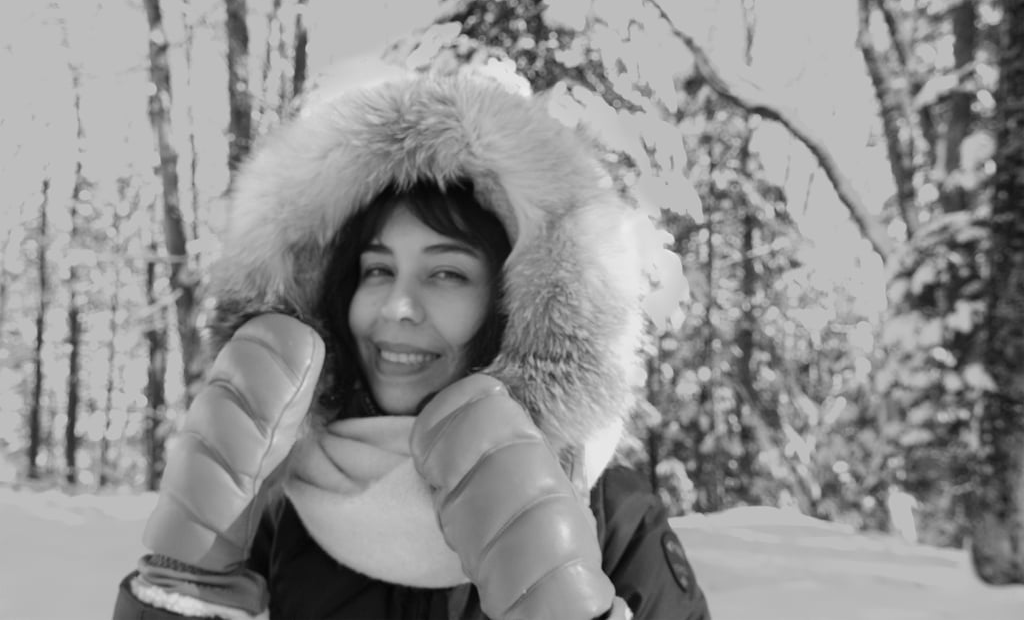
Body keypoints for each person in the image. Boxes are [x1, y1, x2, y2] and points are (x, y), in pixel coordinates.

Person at [112, 72, 711, 619]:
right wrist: (189, 588)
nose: (397, 306)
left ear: (523, 305)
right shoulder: (272, 502)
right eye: (376, 271)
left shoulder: (613, 517)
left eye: (446, 273)